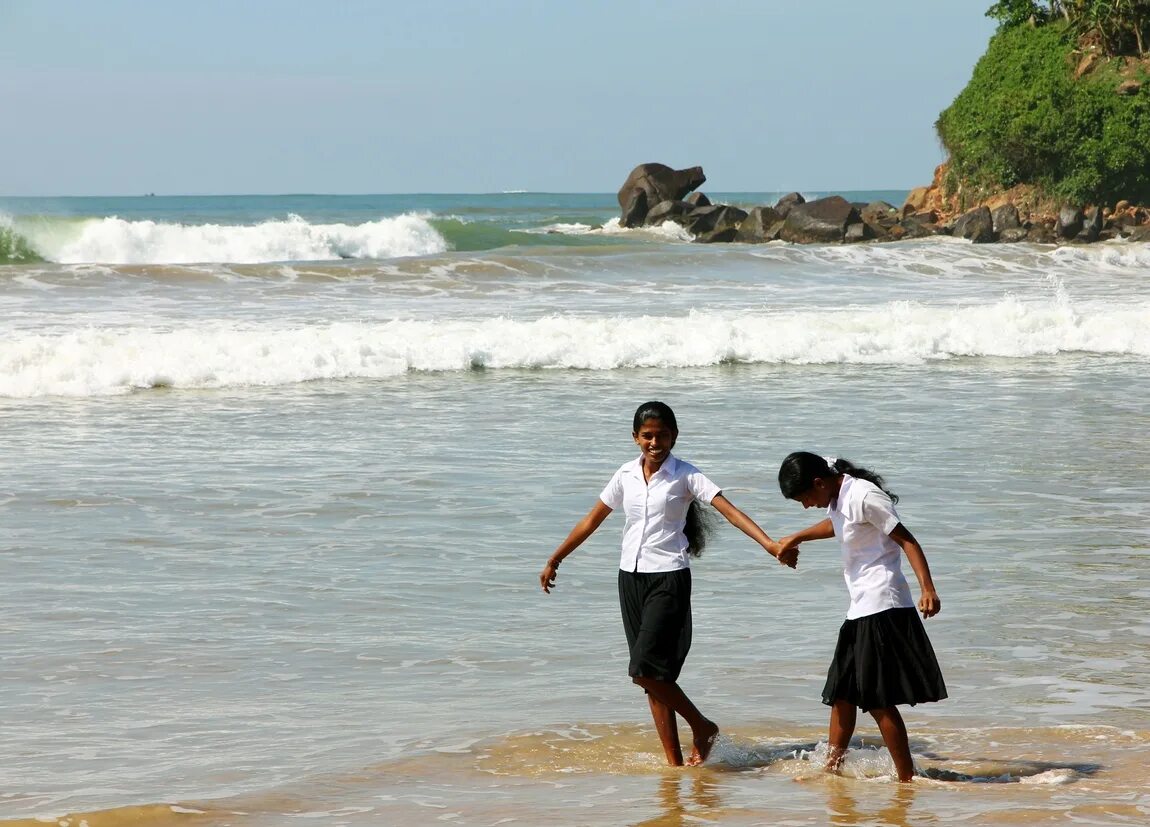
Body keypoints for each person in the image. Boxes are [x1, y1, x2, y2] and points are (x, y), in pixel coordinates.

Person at [539, 401, 798, 767]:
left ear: (674, 436)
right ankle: (674, 766)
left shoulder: (686, 475)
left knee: (643, 669)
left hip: (669, 577)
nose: (654, 442)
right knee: (652, 678)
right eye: (647, 436)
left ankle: (703, 727)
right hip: (629, 578)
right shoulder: (625, 475)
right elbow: (591, 520)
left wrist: (770, 544)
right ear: (635, 438)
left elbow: (730, 511)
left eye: (662, 435)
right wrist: (556, 557)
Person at [776, 452, 946, 782]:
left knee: (878, 700)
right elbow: (839, 524)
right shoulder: (836, 492)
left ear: (818, 483)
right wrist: (797, 537)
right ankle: (831, 770)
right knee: (842, 694)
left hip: (883, 604)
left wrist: (928, 588)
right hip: (860, 608)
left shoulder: (865, 496)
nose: (806, 505)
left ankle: (906, 780)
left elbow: (907, 540)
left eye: (806, 498)